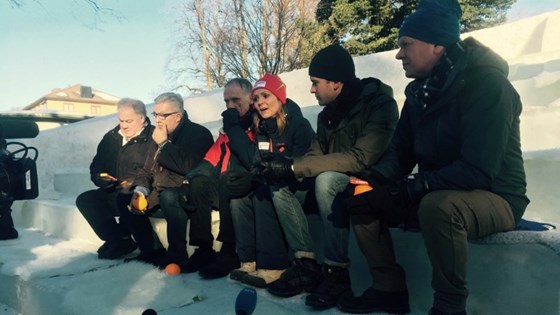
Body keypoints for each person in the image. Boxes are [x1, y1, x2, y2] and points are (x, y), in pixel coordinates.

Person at [341, 1, 530, 314]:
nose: (399, 54)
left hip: (496, 196)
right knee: (363, 200)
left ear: (437, 45)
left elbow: (478, 170)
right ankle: (389, 288)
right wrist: (373, 179)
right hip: (437, 187)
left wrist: (412, 188)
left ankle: (449, 305)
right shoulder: (419, 93)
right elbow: (400, 153)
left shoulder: (488, 86)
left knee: (439, 206)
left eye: (405, 45)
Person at [261, 45, 399, 309]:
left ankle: (337, 273)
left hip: (368, 181)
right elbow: (314, 155)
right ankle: (306, 265)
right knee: (280, 186)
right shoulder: (326, 116)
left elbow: (361, 158)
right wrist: (284, 166)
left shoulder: (380, 105)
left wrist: (293, 168)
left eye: (315, 83)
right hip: (334, 183)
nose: (312, 90)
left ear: (336, 83)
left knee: (325, 180)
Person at [229, 73, 315, 288]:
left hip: (301, 185)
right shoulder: (263, 129)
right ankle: (249, 260)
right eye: (256, 99)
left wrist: (280, 166)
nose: (260, 103)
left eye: (266, 95)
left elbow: (306, 162)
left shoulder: (298, 124)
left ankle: (275, 264)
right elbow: (257, 162)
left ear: (279, 96)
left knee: (266, 192)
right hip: (276, 183)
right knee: (241, 197)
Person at [120, 92, 214, 271]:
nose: (158, 120)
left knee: (169, 196)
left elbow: (188, 168)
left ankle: (177, 254)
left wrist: (164, 144)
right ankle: (152, 250)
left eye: (163, 115)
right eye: (155, 115)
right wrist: (141, 191)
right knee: (125, 197)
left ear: (177, 116)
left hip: (184, 195)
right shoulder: (159, 135)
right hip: (158, 194)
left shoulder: (198, 134)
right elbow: (146, 169)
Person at [178, 78, 255, 279]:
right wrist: (189, 179)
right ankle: (203, 249)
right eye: (226, 101)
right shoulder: (229, 128)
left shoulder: (257, 123)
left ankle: (228, 251)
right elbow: (210, 161)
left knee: (226, 179)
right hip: (225, 187)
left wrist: (234, 129)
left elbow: (252, 159)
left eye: (235, 100)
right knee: (199, 183)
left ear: (250, 97)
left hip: (249, 185)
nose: (230, 106)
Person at [75, 98, 154, 259]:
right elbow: (97, 165)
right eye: (121, 120)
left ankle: (126, 240)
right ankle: (118, 239)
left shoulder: (153, 137)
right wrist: (100, 178)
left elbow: (154, 171)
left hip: (141, 193)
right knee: (86, 199)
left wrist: (133, 183)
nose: (124, 125)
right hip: (114, 190)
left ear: (142, 118)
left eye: (129, 121)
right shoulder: (111, 137)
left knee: (126, 199)